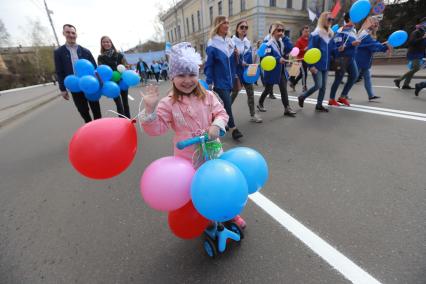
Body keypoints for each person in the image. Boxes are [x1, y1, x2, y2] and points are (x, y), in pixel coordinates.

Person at [140, 42, 246, 228]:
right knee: (196, 190)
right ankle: (201, 216)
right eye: (181, 75)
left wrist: (216, 126)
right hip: (187, 160)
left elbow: (222, 114)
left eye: (191, 74)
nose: (187, 80)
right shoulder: (168, 103)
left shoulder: (208, 96)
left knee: (220, 185)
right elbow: (157, 129)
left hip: (213, 152)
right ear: (172, 76)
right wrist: (150, 110)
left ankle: (230, 212)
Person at [205, 16, 244, 140]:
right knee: (227, 103)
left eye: (227, 23)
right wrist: (209, 82)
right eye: (224, 23)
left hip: (231, 79)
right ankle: (233, 128)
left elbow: (236, 62)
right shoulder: (212, 42)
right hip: (219, 80)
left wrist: (237, 56)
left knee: (224, 105)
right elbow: (209, 65)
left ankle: (220, 121)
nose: (227, 25)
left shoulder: (230, 41)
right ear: (218, 25)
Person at [54, 24, 101, 123]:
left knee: (96, 110)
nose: (71, 35)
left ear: (76, 34)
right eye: (68, 32)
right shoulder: (59, 52)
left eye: (73, 33)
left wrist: (100, 82)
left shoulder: (85, 51)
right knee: (83, 111)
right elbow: (59, 71)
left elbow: (95, 68)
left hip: (90, 85)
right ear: (63, 34)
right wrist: (62, 89)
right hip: (75, 86)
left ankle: (99, 130)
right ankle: (89, 130)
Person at [257, 22, 296, 117]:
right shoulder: (268, 44)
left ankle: (287, 108)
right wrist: (278, 59)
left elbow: (290, 48)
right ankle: (260, 103)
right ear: (273, 32)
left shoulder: (282, 42)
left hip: (281, 70)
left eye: (283, 30)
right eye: (279, 30)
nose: (281, 32)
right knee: (268, 89)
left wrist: (285, 37)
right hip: (272, 71)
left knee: (283, 89)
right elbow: (266, 59)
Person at [298, 12, 335, 112]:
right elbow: (310, 50)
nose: (331, 21)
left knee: (323, 87)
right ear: (323, 20)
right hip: (317, 65)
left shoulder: (330, 34)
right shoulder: (316, 34)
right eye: (329, 19)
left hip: (326, 65)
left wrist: (339, 49)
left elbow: (332, 49)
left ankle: (319, 105)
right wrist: (311, 65)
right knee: (318, 85)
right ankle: (302, 97)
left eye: (332, 19)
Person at [230, 20, 262, 123]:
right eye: (242, 27)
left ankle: (253, 115)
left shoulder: (247, 42)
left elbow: (248, 58)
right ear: (237, 29)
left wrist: (251, 66)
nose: (244, 29)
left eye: (246, 27)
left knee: (251, 93)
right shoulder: (231, 41)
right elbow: (230, 59)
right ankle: (223, 116)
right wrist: (238, 61)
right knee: (233, 94)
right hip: (236, 73)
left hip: (246, 72)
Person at [328, 13, 361, 107]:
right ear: (349, 19)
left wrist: (357, 44)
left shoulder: (354, 30)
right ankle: (331, 99)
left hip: (351, 58)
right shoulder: (341, 30)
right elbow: (339, 46)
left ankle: (342, 96)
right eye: (354, 18)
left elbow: (353, 44)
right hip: (342, 58)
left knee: (354, 76)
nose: (356, 20)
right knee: (338, 79)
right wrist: (351, 44)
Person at [355, 16, 390, 101]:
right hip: (359, 61)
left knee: (367, 78)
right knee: (353, 78)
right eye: (375, 24)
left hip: (365, 61)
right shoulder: (365, 34)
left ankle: (371, 95)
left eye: (377, 24)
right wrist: (385, 46)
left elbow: (373, 45)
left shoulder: (368, 33)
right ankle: (343, 94)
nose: (377, 26)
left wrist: (384, 45)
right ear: (371, 24)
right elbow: (373, 45)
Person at [98, 36, 131, 118]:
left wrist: (125, 68)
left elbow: (126, 66)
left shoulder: (119, 55)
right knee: (119, 105)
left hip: (122, 81)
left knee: (125, 103)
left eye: (108, 42)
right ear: (101, 44)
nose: (106, 43)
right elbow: (101, 70)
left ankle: (129, 121)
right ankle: (123, 123)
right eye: (104, 42)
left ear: (111, 43)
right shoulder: (100, 58)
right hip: (111, 84)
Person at [394, 17, 426, 89]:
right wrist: (423, 38)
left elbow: (423, 44)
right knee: (416, 68)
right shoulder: (416, 32)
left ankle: (406, 85)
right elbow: (411, 42)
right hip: (414, 53)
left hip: (419, 53)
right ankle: (398, 79)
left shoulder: (423, 32)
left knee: (412, 69)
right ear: (422, 24)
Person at [289, 25, 310, 92]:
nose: (307, 33)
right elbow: (296, 51)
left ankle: (293, 83)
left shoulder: (309, 40)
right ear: (302, 32)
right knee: (304, 73)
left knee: (301, 74)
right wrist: (304, 49)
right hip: (300, 59)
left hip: (307, 59)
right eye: (305, 31)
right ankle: (304, 87)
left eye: (308, 31)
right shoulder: (299, 40)